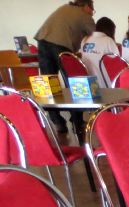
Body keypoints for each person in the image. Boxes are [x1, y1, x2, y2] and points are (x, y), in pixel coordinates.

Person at [33, 0, 95, 132]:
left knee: (47, 83)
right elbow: (95, 35)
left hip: (43, 41)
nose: (92, 13)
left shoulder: (64, 8)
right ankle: (77, 121)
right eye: (92, 10)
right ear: (86, 6)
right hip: (61, 45)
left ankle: (57, 121)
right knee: (74, 81)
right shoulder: (84, 15)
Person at [80, 16, 118, 87]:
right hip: (104, 83)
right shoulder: (108, 40)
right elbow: (118, 63)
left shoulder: (85, 39)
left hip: (87, 82)